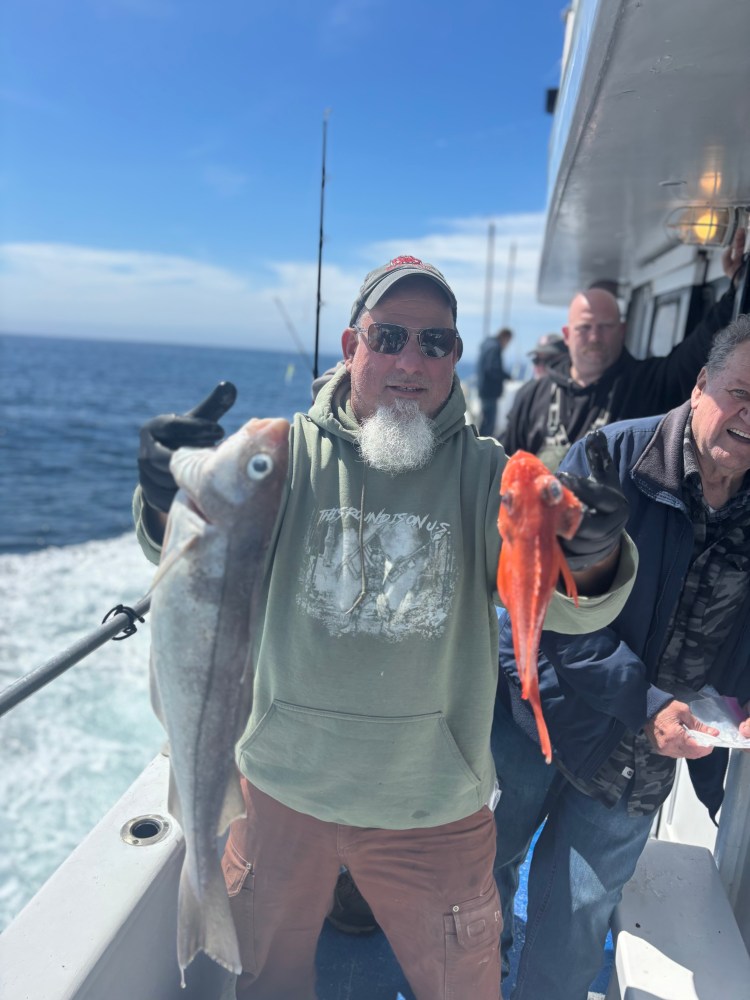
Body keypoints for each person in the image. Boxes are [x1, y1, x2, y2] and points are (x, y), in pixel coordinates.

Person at [134, 255, 637, 1000]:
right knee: (267, 983)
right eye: (390, 336)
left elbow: (564, 603)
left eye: (435, 343)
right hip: (280, 786)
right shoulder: (287, 457)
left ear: (456, 358)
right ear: (350, 346)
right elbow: (196, 570)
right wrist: (161, 495)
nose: (410, 360)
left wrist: (591, 558)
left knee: (463, 987)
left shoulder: (487, 475)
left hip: (430, 804)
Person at [493, 315, 750, 1000]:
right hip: (541, 719)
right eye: (740, 392)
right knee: (484, 870)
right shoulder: (610, 459)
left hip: (645, 761)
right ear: (700, 386)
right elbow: (551, 614)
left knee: (576, 929)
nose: (749, 417)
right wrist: (646, 704)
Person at [501, 228, 746, 470]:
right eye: (585, 328)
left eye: (605, 326)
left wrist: (736, 288)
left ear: (622, 330)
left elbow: (696, 349)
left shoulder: (648, 384)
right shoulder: (532, 396)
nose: (595, 337)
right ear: (567, 335)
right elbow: (504, 465)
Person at [476, 326, 513, 435]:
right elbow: (493, 369)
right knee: (488, 423)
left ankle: (479, 444)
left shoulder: (487, 345)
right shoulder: (495, 347)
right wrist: (506, 376)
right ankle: (484, 448)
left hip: (483, 388)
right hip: (490, 390)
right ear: (505, 337)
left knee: (485, 420)